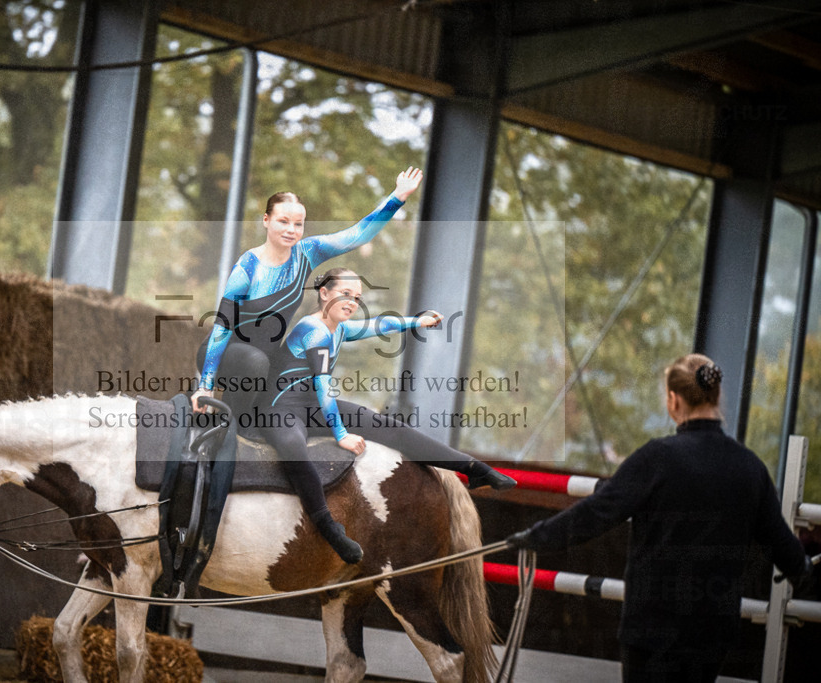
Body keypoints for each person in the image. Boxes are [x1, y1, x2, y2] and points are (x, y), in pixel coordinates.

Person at [507, 353, 813, 683]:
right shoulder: (750, 467)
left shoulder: (658, 458)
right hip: (712, 635)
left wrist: (536, 536)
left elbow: (596, 512)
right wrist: (804, 571)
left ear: (673, 399)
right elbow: (783, 546)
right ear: (716, 396)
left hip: (652, 629)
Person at [260, 268, 517, 564]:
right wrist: (341, 434)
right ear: (324, 293)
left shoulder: (339, 328)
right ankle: (327, 526)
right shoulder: (313, 329)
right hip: (281, 409)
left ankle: (473, 468)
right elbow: (323, 386)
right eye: (345, 294)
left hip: (310, 407)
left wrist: (416, 321)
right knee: (294, 448)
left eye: (356, 298)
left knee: (387, 427)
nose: (352, 302)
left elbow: (379, 324)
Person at [191, 167, 424, 419]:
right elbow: (222, 327)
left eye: (298, 224)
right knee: (255, 363)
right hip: (227, 355)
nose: (291, 229)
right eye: (283, 221)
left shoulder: (306, 254)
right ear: (266, 220)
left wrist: (397, 197)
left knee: (288, 379)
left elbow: (357, 235)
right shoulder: (247, 267)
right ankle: (232, 428)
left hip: (265, 363)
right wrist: (205, 384)